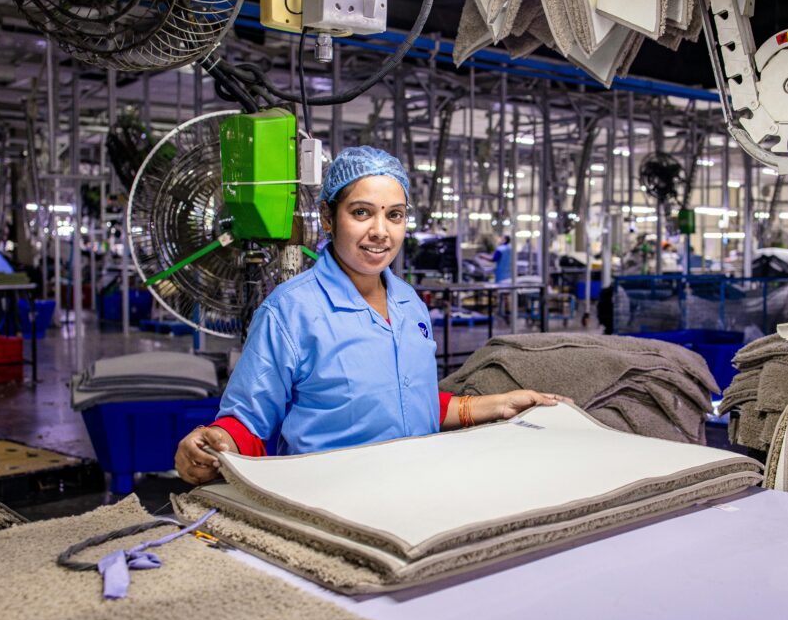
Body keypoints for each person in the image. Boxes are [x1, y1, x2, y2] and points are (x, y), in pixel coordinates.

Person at [176, 147, 568, 484]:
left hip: (419, 487)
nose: (381, 231)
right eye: (362, 212)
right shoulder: (291, 311)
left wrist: (500, 404)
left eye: (394, 215)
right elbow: (248, 421)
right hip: (331, 499)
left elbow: (408, 399)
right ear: (328, 219)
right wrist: (214, 444)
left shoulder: (409, 303)